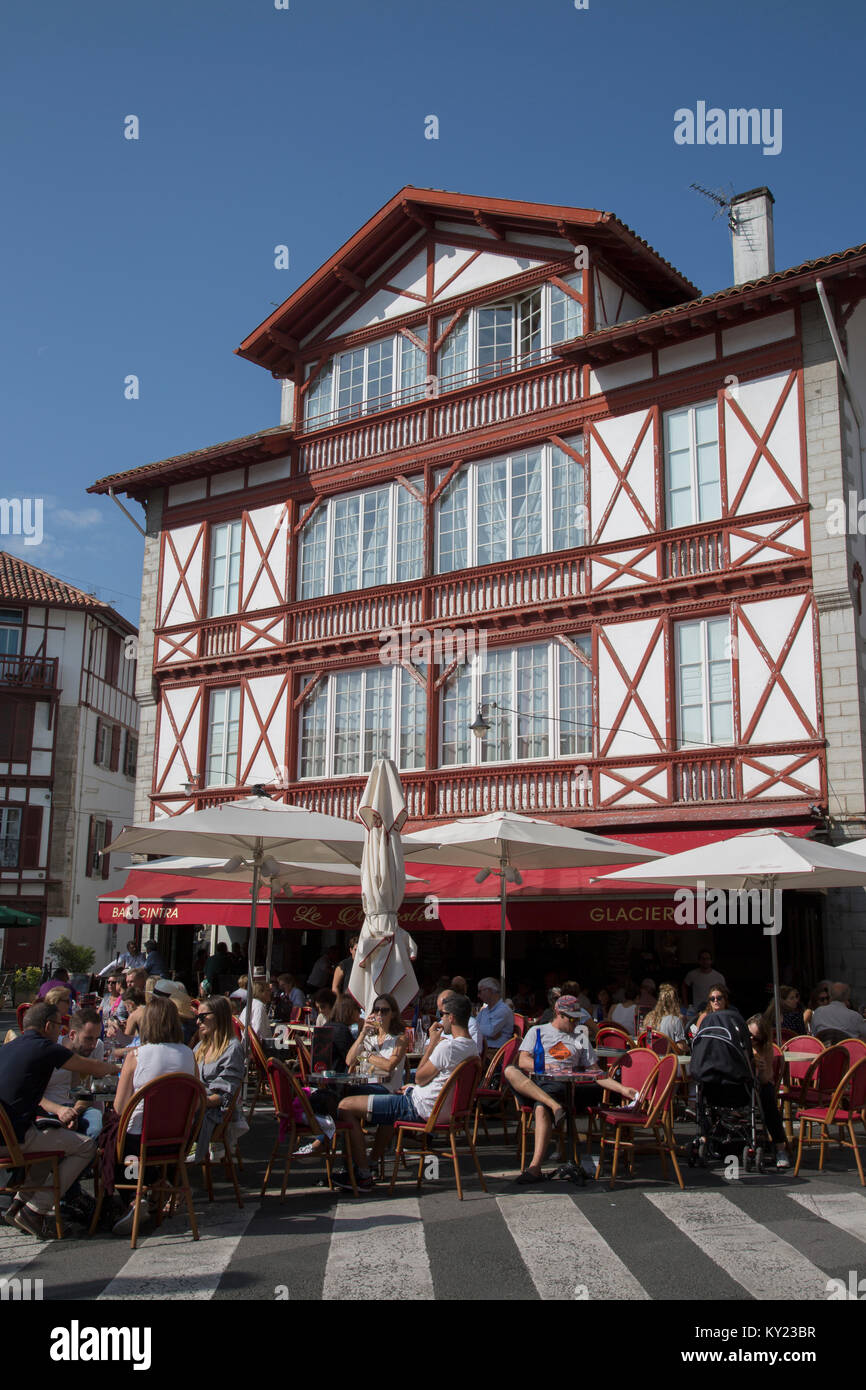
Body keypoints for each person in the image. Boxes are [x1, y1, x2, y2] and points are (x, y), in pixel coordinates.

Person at [0, 1002, 121, 1237]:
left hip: (6, 1133)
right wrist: (116, 1068)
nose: (61, 1030)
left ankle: (18, 1205)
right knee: (86, 1146)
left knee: (53, 1144)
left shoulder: (7, 1048)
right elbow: (92, 1068)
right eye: (59, 1024)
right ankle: (36, 1209)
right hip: (13, 1139)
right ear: (47, 1026)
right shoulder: (46, 1047)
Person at [336, 991, 478, 1191]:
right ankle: (366, 1164)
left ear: (451, 1017)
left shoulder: (447, 1048)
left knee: (345, 1106)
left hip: (418, 1108)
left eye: (443, 1015)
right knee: (380, 1098)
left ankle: (363, 1173)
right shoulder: (472, 1049)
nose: (441, 1019)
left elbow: (419, 1076)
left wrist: (432, 1044)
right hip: (438, 1109)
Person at [504, 996, 639, 1184]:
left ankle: (534, 1168)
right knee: (510, 1070)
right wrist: (544, 1066)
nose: (576, 1023)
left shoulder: (580, 1038)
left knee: (541, 1108)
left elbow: (596, 1073)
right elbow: (522, 1060)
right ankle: (553, 1106)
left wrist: (623, 1089)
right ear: (559, 1014)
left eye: (578, 1019)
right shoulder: (537, 1031)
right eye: (572, 1019)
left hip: (560, 1086)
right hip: (536, 1083)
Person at [111, 995, 198, 1236]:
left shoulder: (136, 1056)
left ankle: (132, 1195)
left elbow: (119, 1107)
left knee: (117, 1140)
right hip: (177, 1140)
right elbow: (196, 1095)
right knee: (134, 1138)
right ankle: (156, 1187)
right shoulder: (189, 1055)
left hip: (140, 1142)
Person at [192, 996, 246, 1162]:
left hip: (214, 1112)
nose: (198, 1022)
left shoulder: (232, 1048)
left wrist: (198, 1102)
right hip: (196, 1105)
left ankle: (168, 1171)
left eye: (203, 1017)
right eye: (197, 1017)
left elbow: (225, 1096)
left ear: (219, 1016)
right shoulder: (201, 1046)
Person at [40, 1008, 106, 1139]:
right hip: (52, 1108)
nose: (93, 1044)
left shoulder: (97, 1046)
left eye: (96, 1038)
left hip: (82, 1107)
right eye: (88, 1039)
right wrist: (61, 1111)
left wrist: (74, 1112)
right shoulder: (50, 1051)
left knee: (95, 1129)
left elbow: (91, 1091)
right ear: (72, 1035)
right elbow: (36, 1096)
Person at [747, 1014, 791, 1169]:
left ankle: (780, 1148)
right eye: (749, 1036)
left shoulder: (766, 1049)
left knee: (768, 1097)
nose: (751, 1040)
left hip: (758, 1086)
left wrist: (761, 1066)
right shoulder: (739, 1044)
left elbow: (767, 1078)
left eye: (756, 1038)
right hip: (739, 1086)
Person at [471, 977, 515, 1052]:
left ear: (489, 991)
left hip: (496, 1052)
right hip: (482, 1049)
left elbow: (490, 1031)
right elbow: (473, 1028)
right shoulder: (484, 1011)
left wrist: (479, 1030)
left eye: (480, 991)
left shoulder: (503, 1010)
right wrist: (486, 1033)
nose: (478, 995)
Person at [642, 983, 687, 1054]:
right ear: (676, 1001)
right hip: (669, 1060)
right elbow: (680, 1047)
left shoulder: (649, 1017)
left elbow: (647, 1042)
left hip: (652, 1057)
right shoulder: (675, 1020)